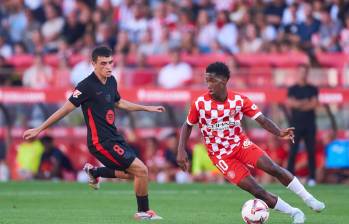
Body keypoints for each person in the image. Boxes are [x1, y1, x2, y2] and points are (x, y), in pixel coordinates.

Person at [23, 46, 164, 220]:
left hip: (115, 138)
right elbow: (65, 110)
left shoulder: (111, 80)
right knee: (141, 170)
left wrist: (146, 108)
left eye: (110, 62)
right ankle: (143, 212)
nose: (108, 67)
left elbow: (119, 103)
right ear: (93, 64)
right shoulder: (85, 86)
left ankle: (95, 173)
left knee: (133, 174)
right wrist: (39, 128)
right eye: (103, 63)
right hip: (100, 142)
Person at [177, 62, 325, 224]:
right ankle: (294, 213)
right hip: (221, 157)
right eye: (207, 80)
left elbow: (262, 119)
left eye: (212, 80)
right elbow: (188, 125)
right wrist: (181, 150)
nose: (209, 85)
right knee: (257, 191)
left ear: (225, 80)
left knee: (273, 168)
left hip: (241, 145)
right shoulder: (200, 103)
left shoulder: (239, 100)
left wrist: (279, 132)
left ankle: (309, 199)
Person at [287, 64, 319, 186]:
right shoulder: (292, 89)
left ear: (307, 73)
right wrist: (305, 102)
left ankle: (312, 178)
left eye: (305, 72)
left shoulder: (313, 88)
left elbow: (314, 104)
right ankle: (289, 178)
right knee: (293, 151)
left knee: (311, 151)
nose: (303, 74)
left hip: (310, 125)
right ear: (298, 73)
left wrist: (298, 103)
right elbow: (290, 104)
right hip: (295, 125)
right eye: (301, 72)